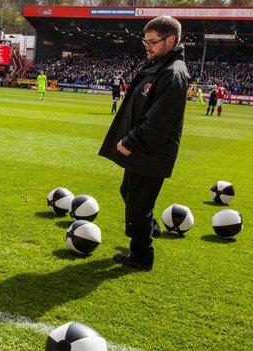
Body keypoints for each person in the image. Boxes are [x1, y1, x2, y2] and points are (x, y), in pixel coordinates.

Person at [98, 16, 190, 270]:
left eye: (153, 41)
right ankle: (149, 230)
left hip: (151, 152)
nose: (147, 46)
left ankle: (142, 255)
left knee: (139, 205)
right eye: (145, 41)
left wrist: (132, 140)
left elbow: (159, 122)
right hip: (143, 151)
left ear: (171, 40)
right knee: (128, 193)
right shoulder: (160, 64)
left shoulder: (173, 73)